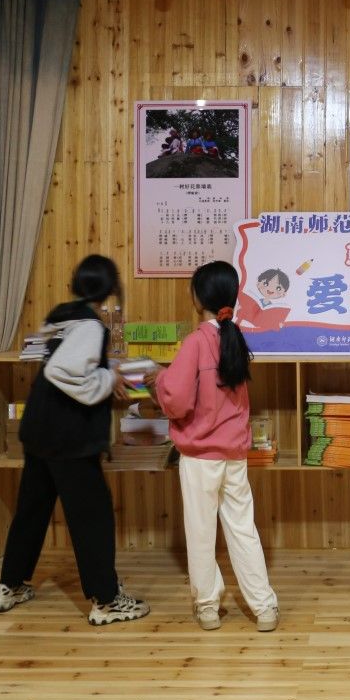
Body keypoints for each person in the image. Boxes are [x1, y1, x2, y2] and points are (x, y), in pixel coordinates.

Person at [0, 254, 150, 626]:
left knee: (31, 511)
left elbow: (64, 364)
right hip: (69, 437)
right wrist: (110, 379)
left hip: (39, 429)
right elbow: (66, 371)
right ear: (109, 289)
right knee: (92, 517)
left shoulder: (61, 317)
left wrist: (105, 370)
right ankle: (106, 601)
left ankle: (9, 586)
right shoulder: (91, 325)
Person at [146, 261, 280, 631]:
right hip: (234, 454)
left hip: (200, 456)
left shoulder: (196, 342)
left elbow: (176, 401)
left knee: (201, 532)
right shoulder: (234, 339)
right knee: (243, 530)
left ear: (197, 298)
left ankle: (207, 608)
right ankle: (265, 608)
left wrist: (159, 380)